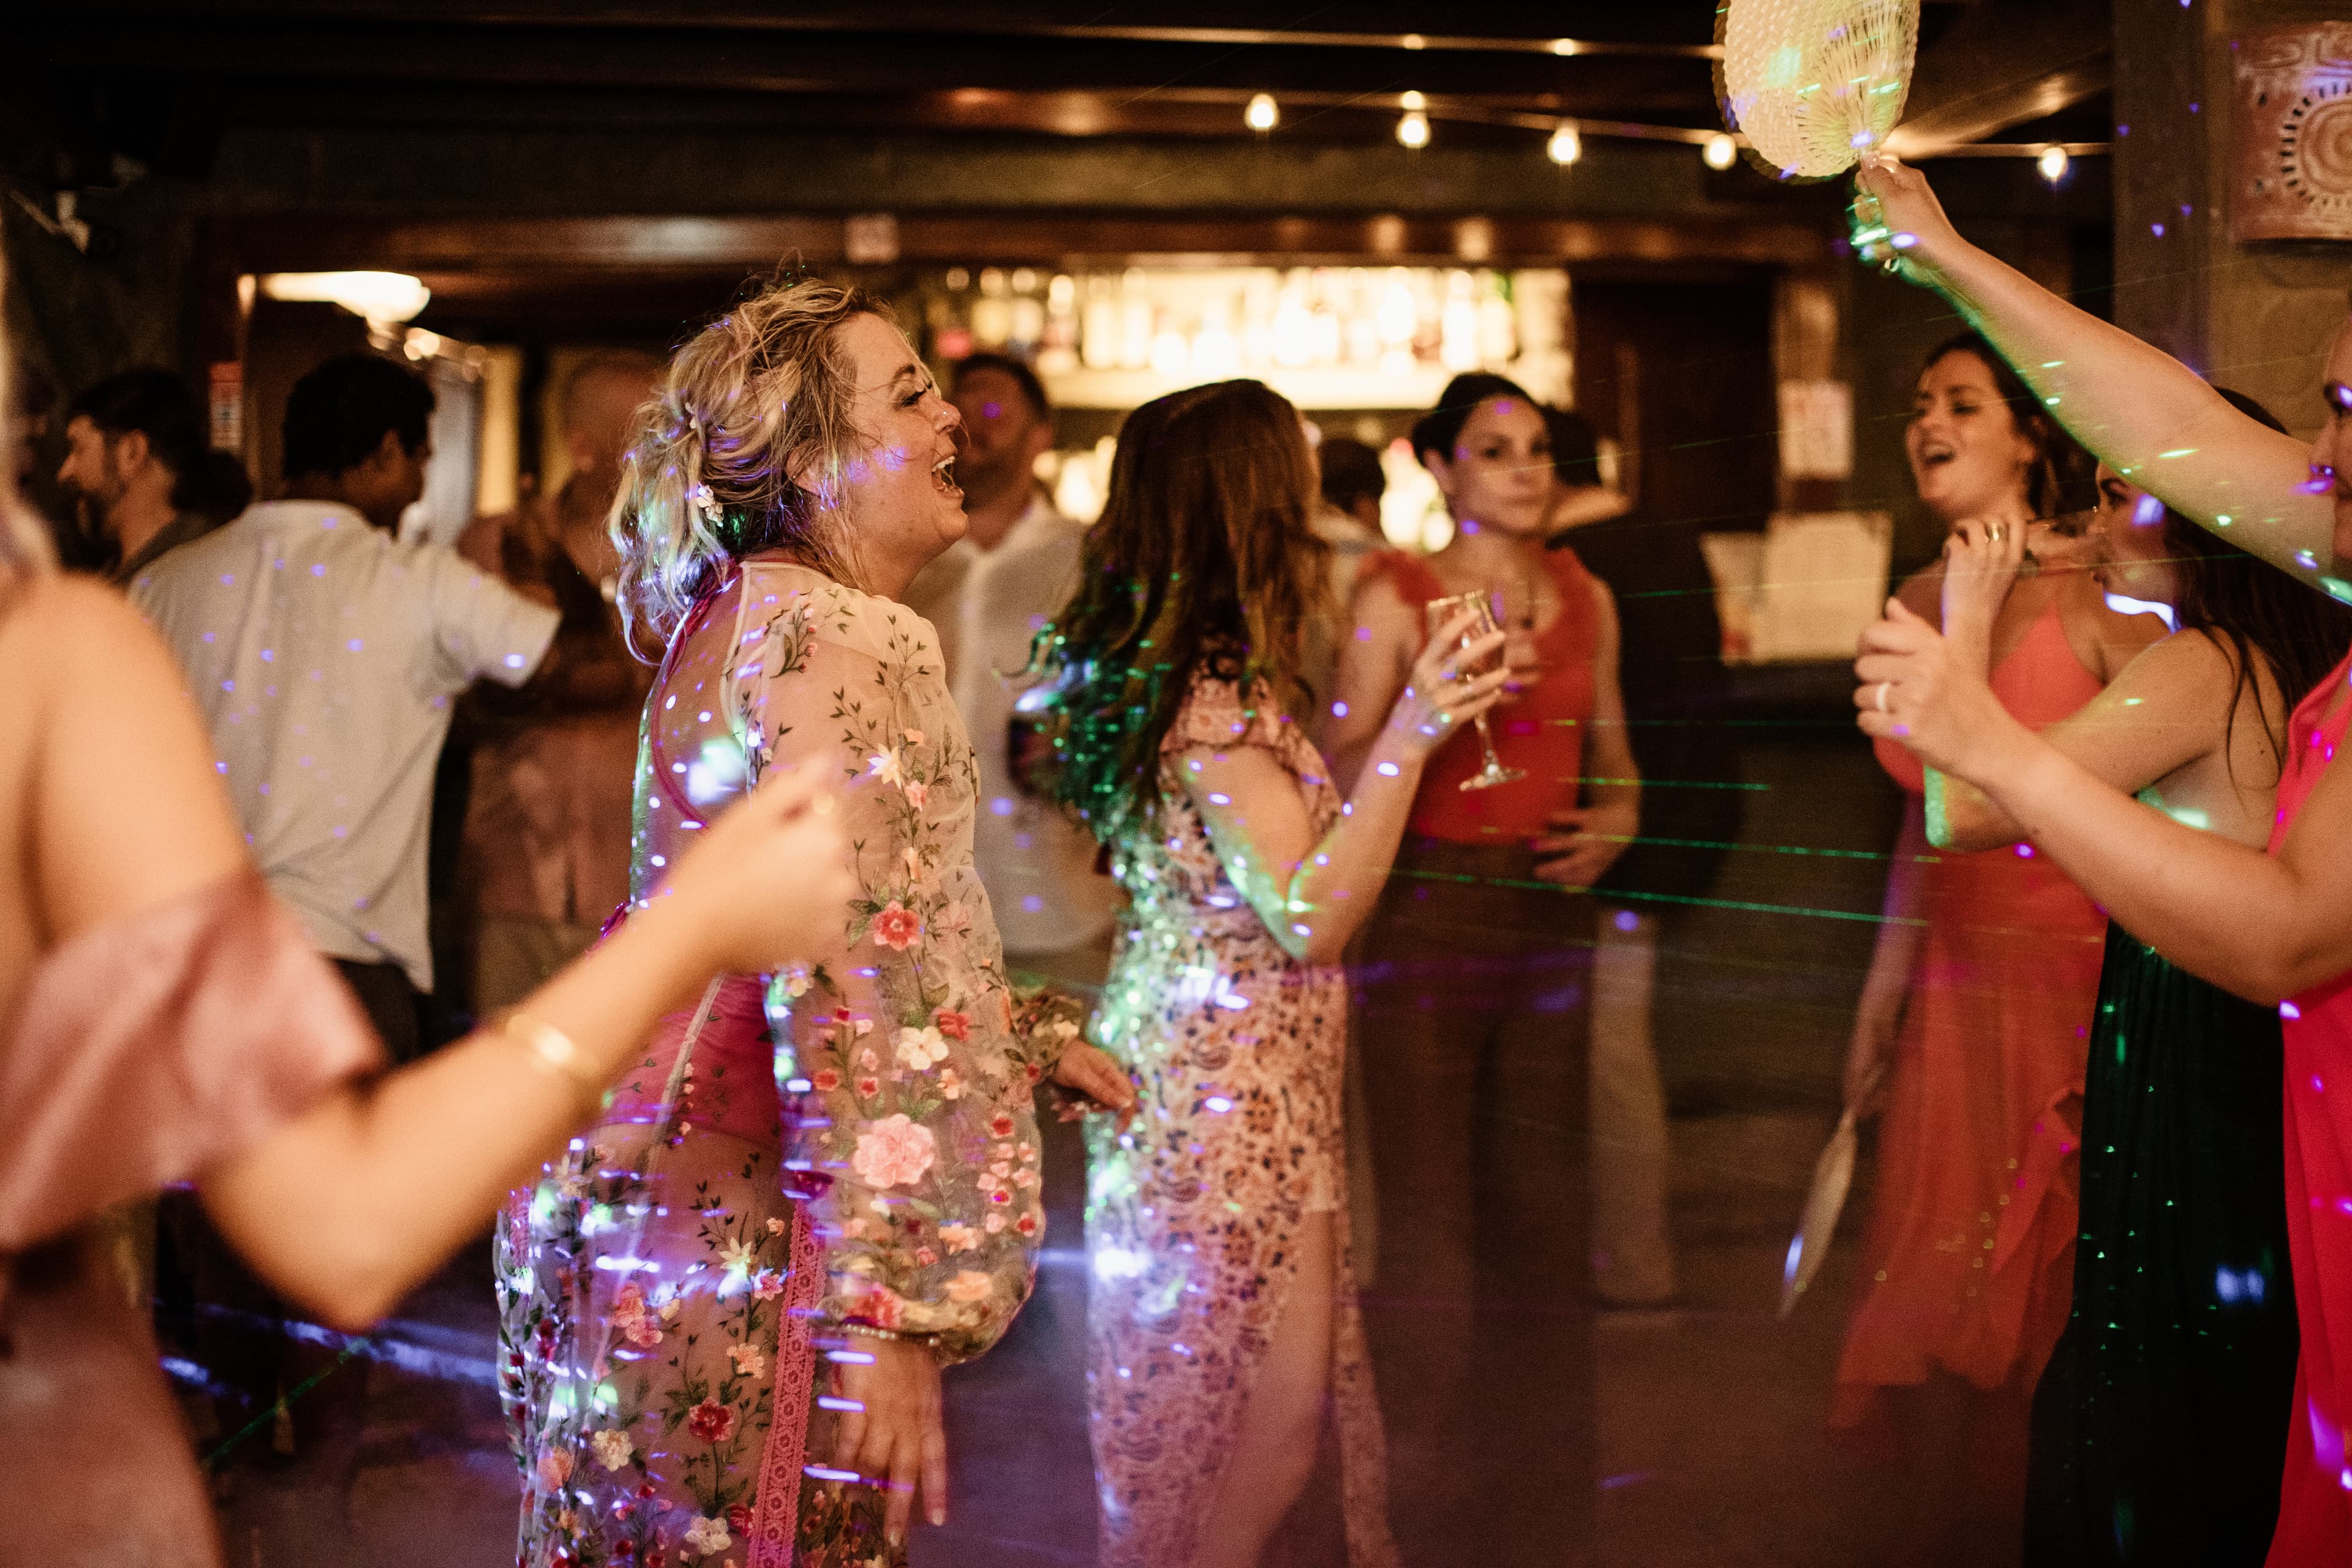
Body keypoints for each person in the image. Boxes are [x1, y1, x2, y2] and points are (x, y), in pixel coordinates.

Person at [0, 288, 862, 1564]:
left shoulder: (162, 586)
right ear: (384, 461)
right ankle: (310, 1525)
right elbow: (346, 1227)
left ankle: (262, 1499)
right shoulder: (73, 648)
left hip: (152, 987)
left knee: (216, 1305)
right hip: (325, 969)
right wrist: (700, 921)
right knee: (325, 1331)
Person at [496, 279, 1133, 1568]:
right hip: (758, 1203)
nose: (952, 416)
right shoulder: (846, 633)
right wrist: (880, 1297)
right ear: (812, 460)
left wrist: (1011, 1032)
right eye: (910, 395)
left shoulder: (736, 614)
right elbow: (849, 964)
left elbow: (801, 929)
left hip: (644, 1176)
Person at [1849, 149, 2352, 1568]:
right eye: (2328, 407)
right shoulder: (2313, 562)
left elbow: (2291, 933)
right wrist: (1945, 252)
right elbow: (2177, 420)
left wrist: (1990, 737)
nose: (2327, 449)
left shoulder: (2204, 658)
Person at [1026, 378, 1507, 1568]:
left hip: (1234, 1086)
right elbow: (1312, 916)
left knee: (1242, 1434)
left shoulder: (1202, 688)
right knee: (1246, 1436)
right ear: (1252, 511)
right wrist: (1413, 733)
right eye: (1296, 486)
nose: (1316, 520)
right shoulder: (1211, 714)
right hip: (1222, 1105)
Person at [1922, 393, 2348, 1564]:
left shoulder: (2202, 667)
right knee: (2233, 1354)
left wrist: (1967, 618)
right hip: (2254, 1036)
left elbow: (1960, 812)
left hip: (2197, 1036)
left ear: (2205, 514)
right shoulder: (2287, 652)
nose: (2097, 520)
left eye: (2122, 493)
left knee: (2159, 1365)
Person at [1832, 332, 2165, 1561]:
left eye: (1964, 404)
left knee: (2048, 1293)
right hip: (1953, 982)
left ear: (2031, 437)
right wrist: (1881, 995)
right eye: (1922, 403)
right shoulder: (1919, 597)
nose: (1930, 422)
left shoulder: (2096, 592)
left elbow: (2179, 785)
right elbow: (1921, 827)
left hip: (2066, 979)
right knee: (1942, 1290)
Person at [1319, 371, 1642, 1564]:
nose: (1525, 469)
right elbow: (1332, 768)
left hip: (1547, 913)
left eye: (1538, 448)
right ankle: (1420, 1516)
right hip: (1428, 909)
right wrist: (1424, 711)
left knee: (1548, 1216)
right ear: (1440, 467)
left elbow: (1619, 766)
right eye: (1495, 450)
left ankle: (1546, 1517)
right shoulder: (1394, 592)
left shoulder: (1585, 593)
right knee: (1431, 1232)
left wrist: (1620, 820)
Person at [135, 351, 559, 1063]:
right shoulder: (419, 581)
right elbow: (558, 661)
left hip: (195, 959)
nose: (418, 492)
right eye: (420, 462)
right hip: (344, 970)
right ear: (388, 451)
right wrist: (552, 575)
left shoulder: (165, 584)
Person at [1544, 404, 1740, 1308]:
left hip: (1608, 832)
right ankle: (1631, 1261)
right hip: (1691, 811)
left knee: (1609, 1057)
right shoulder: (1671, 535)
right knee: (1618, 1048)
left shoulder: (1566, 565)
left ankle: (1634, 1266)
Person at [902, 352, 1118, 990]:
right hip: (919, 904)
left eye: (994, 407)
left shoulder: (1087, 559)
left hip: (1057, 901)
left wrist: (1081, 736)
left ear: (1040, 436)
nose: (973, 423)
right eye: (961, 406)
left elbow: (1131, 702)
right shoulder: (906, 557)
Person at [454, 350, 662, 1014]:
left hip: (643, 881)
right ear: (582, 447)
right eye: (646, 434)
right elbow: (467, 693)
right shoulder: (495, 547)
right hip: (514, 870)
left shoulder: (683, 555)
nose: (667, 452)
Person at [54, 366, 217, 583]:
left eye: (78, 449)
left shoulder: (190, 579)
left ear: (131, 453)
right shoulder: (133, 574)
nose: (64, 473)